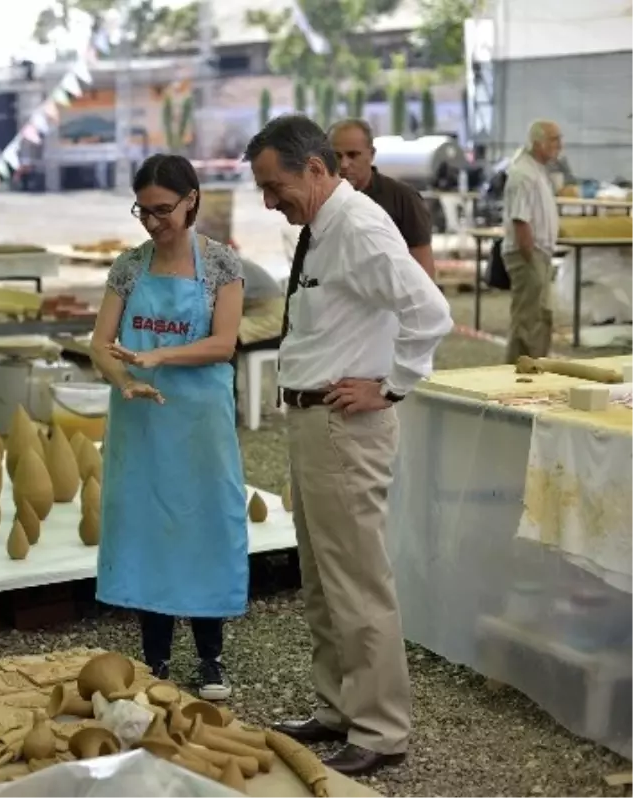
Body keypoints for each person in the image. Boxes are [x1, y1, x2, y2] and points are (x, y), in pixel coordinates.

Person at [245, 114, 452, 776]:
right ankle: (337, 707)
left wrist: (390, 387)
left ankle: (381, 728)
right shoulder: (324, 227)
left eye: (275, 186)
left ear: (315, 168)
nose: (269, 201)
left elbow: (431, 312)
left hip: (344, 427)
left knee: (357, 582)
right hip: (314, 422)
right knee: (323, 578)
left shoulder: (358, 228)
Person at [89, 154, 249, 699]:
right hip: (143, 422)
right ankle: (154, 660)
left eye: (163, 210)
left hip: (200, 422)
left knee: (205, 526)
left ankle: (211, 660)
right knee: (147, 530)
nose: (153, 222)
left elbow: (224, 343)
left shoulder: (224, 266)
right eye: (144, 211)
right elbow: (100, 344)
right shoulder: (128, 268)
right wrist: (124, 379)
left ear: (192, 200)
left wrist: (160, 357)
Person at [328, 119, 436, 279]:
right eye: (337, 156)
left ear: (371, 155)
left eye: (353, 155)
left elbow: (423, 269)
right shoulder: (322, 201)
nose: (344, 164)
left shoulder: (402, 199)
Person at [502, 120, 562, 362]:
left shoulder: (537, 171)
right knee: (527, 318)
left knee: (541, 315)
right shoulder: (523, 174)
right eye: (554, 140)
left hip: (539, 253)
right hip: (528, 253)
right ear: (538, 143)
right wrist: (530, 258)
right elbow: (521, 220)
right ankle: (517, 370)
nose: (560, 145)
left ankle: (536, 365)